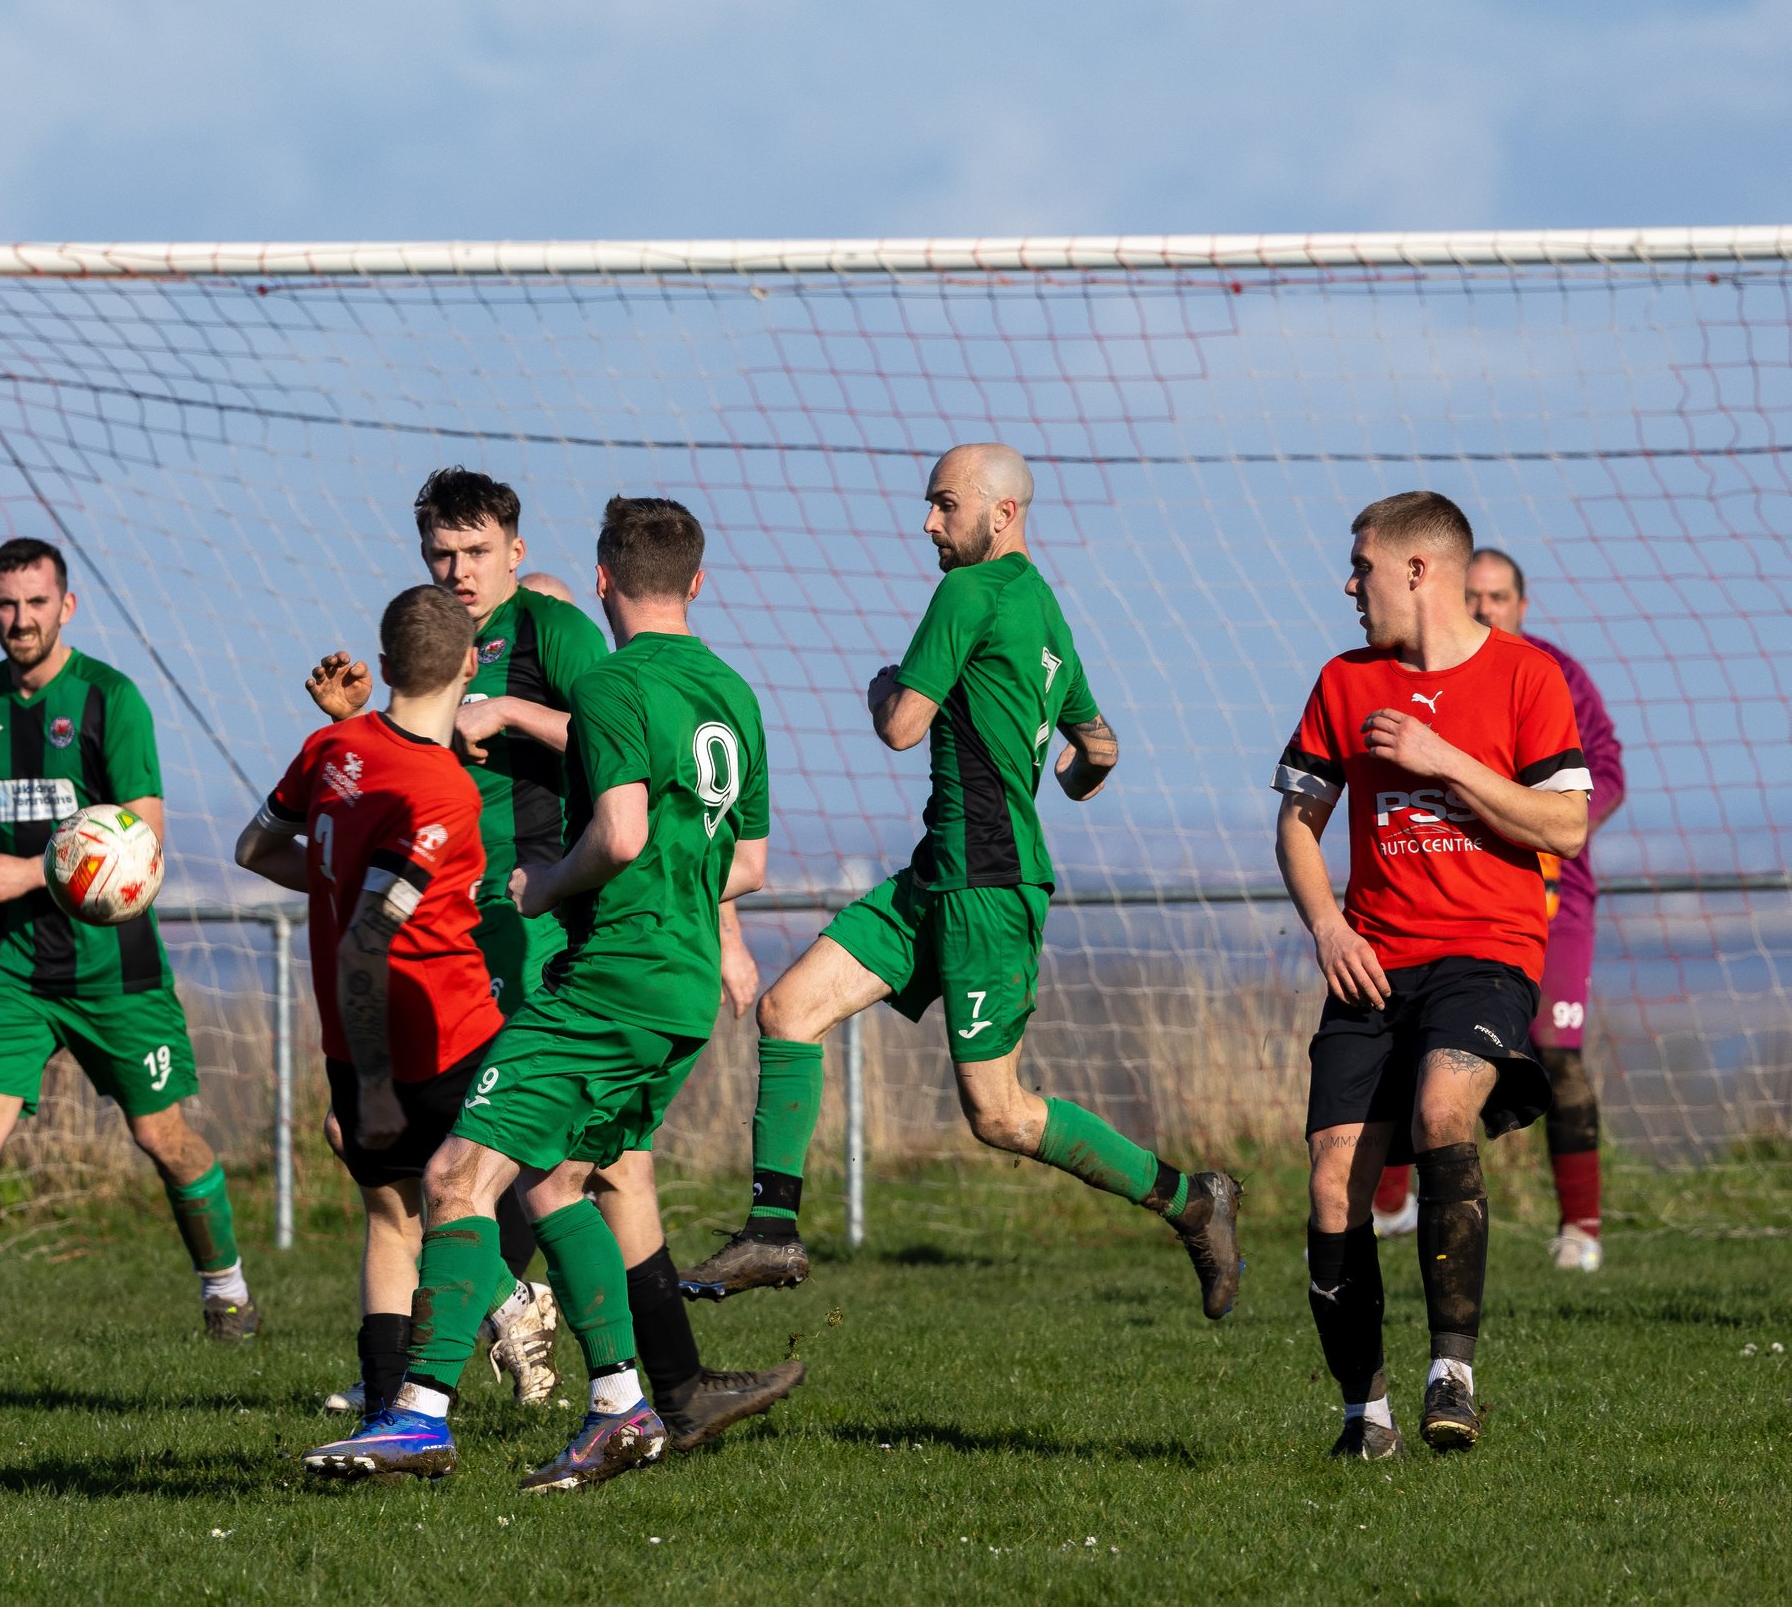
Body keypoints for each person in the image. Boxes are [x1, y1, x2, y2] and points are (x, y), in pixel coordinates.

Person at [680, 446, 1244, 1321]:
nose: (929, 524)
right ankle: (772, 1228)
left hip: (988, 885)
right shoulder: (1044, 608)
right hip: (936, 875)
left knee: (1002, 1114)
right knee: (788, 1011)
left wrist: (881, 691)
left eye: (945, 505)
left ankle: (1192, 1199)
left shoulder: (968, 593)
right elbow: (1100, 747)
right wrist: (1060, 775)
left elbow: (902, 726)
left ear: (1002, 513)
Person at [305, 496, 799, 1491]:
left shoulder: (610, 681)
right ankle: (626, 1405)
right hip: (676, 987)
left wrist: (547, 881)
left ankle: (416, 1416)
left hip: (602, 980)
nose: (457, 567)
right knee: (563, 1179)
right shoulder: (732, 691)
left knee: (452, 1177)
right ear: (696, 582)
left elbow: (616, 833)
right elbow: (744, 862)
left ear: (599, 581)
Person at [0, 538, 258, 1354]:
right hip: (12, 965)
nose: (21, 620)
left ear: (66, 607)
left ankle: (226, 1292)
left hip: (114, 965)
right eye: (6, 605)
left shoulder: (109, 701)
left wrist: (29, 872)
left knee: (164, 1139)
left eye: (36, 603)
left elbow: (143, 836)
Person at [1274, 492, 1589, 1458]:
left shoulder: (1529, 679)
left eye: (1361, 564)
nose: (1348, 583)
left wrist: (1441, 758)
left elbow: (1565, 826)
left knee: (1445, 1112)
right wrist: (1328, 925)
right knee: (1334, 1182)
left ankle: (1451, 1368)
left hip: (1486, 952)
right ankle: (1362, 1414)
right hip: (1372, 959)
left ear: (1417, 571)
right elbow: (1297, 823)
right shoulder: (1341, 681)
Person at [236, 585, 558, 1420]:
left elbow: (256, 847)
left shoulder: (331, 748)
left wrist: (334, 887)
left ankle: (389, 1413)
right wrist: (379, 1083)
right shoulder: (443, 792)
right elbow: (367, 945)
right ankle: (533, 1338)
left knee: (391, 1217)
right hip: (440, 1026)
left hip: (347, 1031)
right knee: (496, 1194)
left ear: (381, 669)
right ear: (465, 664)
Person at [1369, 547, 1625, 1272]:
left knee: (1560, 1053)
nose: (1487, 609)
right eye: (1475, 596)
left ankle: (1582, 1229)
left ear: (1522, 603)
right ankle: (1389, 1205)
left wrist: (1549, 831)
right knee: (1408, 1040)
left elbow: (1604, 771)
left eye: (1500, 597)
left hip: (1555, 896)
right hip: (1449, 893)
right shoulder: (1415, 673)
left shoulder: (1554, 673)